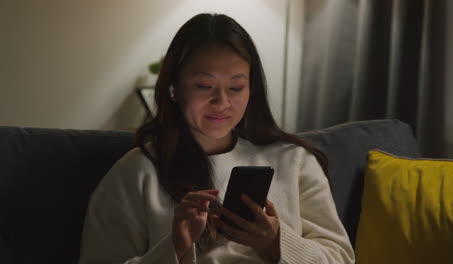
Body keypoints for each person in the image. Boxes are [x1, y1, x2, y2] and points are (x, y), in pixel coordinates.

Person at [78, 13, 355, 264]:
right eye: (204, 86)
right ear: (173, 87)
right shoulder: (136, 173)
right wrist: (176, 248)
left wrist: (275, 243)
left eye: (236, 87)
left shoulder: (294, 161)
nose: (221, 102)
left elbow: (341, 259)